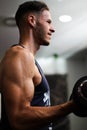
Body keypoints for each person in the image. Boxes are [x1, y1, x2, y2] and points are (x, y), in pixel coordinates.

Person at [0, 1, 77, 130]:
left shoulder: (29, 59)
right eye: (48, 22)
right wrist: (71, 106)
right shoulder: (19, 56)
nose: (52, 28)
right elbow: (19, 118)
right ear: (32, 20)